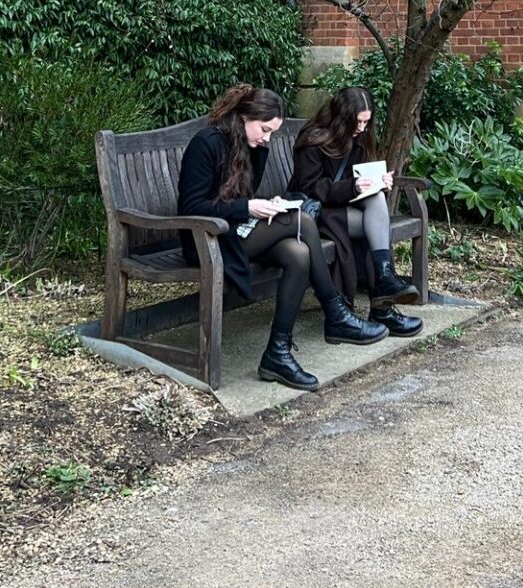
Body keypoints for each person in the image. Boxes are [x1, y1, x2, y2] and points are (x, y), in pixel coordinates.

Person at [177, 84, 386, 391]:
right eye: (264, 129)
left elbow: (245, 196)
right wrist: (248, 206)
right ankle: (335, 311)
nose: (267, 138)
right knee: (301, 219)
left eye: (272, 132)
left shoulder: (254, 145)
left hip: (237, 231)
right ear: (244, 116)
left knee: (297, 253)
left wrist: (262, 205)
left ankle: (277, 353)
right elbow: (191, 207)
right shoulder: (206, 143)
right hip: (206, 239)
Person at [290, 87, 423, 339]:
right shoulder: (313, 139)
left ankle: (384, 279)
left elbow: (358, 176)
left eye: (366, 121)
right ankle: (382, 305)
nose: (362, 127)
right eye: (358, 121)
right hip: (315, 214)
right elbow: (311, 187)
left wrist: (377, 180)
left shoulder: (358, 137)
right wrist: (353, 186)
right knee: (377, 231)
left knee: (376, 204)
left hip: (343, 207)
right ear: (342, 117)